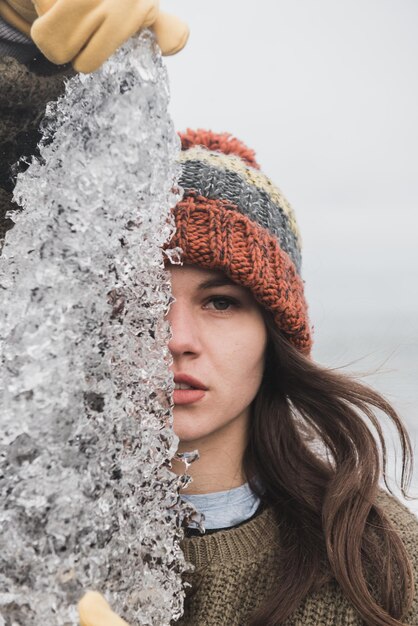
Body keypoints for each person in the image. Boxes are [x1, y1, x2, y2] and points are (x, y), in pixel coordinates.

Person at [1, 4, 417, 626]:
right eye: (144, 300)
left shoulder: (378, 556)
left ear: (273, 334)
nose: (176, 339)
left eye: (221, 302)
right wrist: (15, 50)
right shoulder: (28, 537)